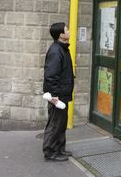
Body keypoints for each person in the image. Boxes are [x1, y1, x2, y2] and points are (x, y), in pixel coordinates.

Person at [42, 22, 74, 162]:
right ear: (61, 34)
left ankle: (59, 149)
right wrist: (54, 96)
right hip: (58, 95)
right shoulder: (56, 51)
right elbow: (51, 75)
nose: (69, 31)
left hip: (63, 93)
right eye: (67, 29)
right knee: (55, 123)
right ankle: (50, 151)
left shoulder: (63, 48)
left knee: (61, 123)